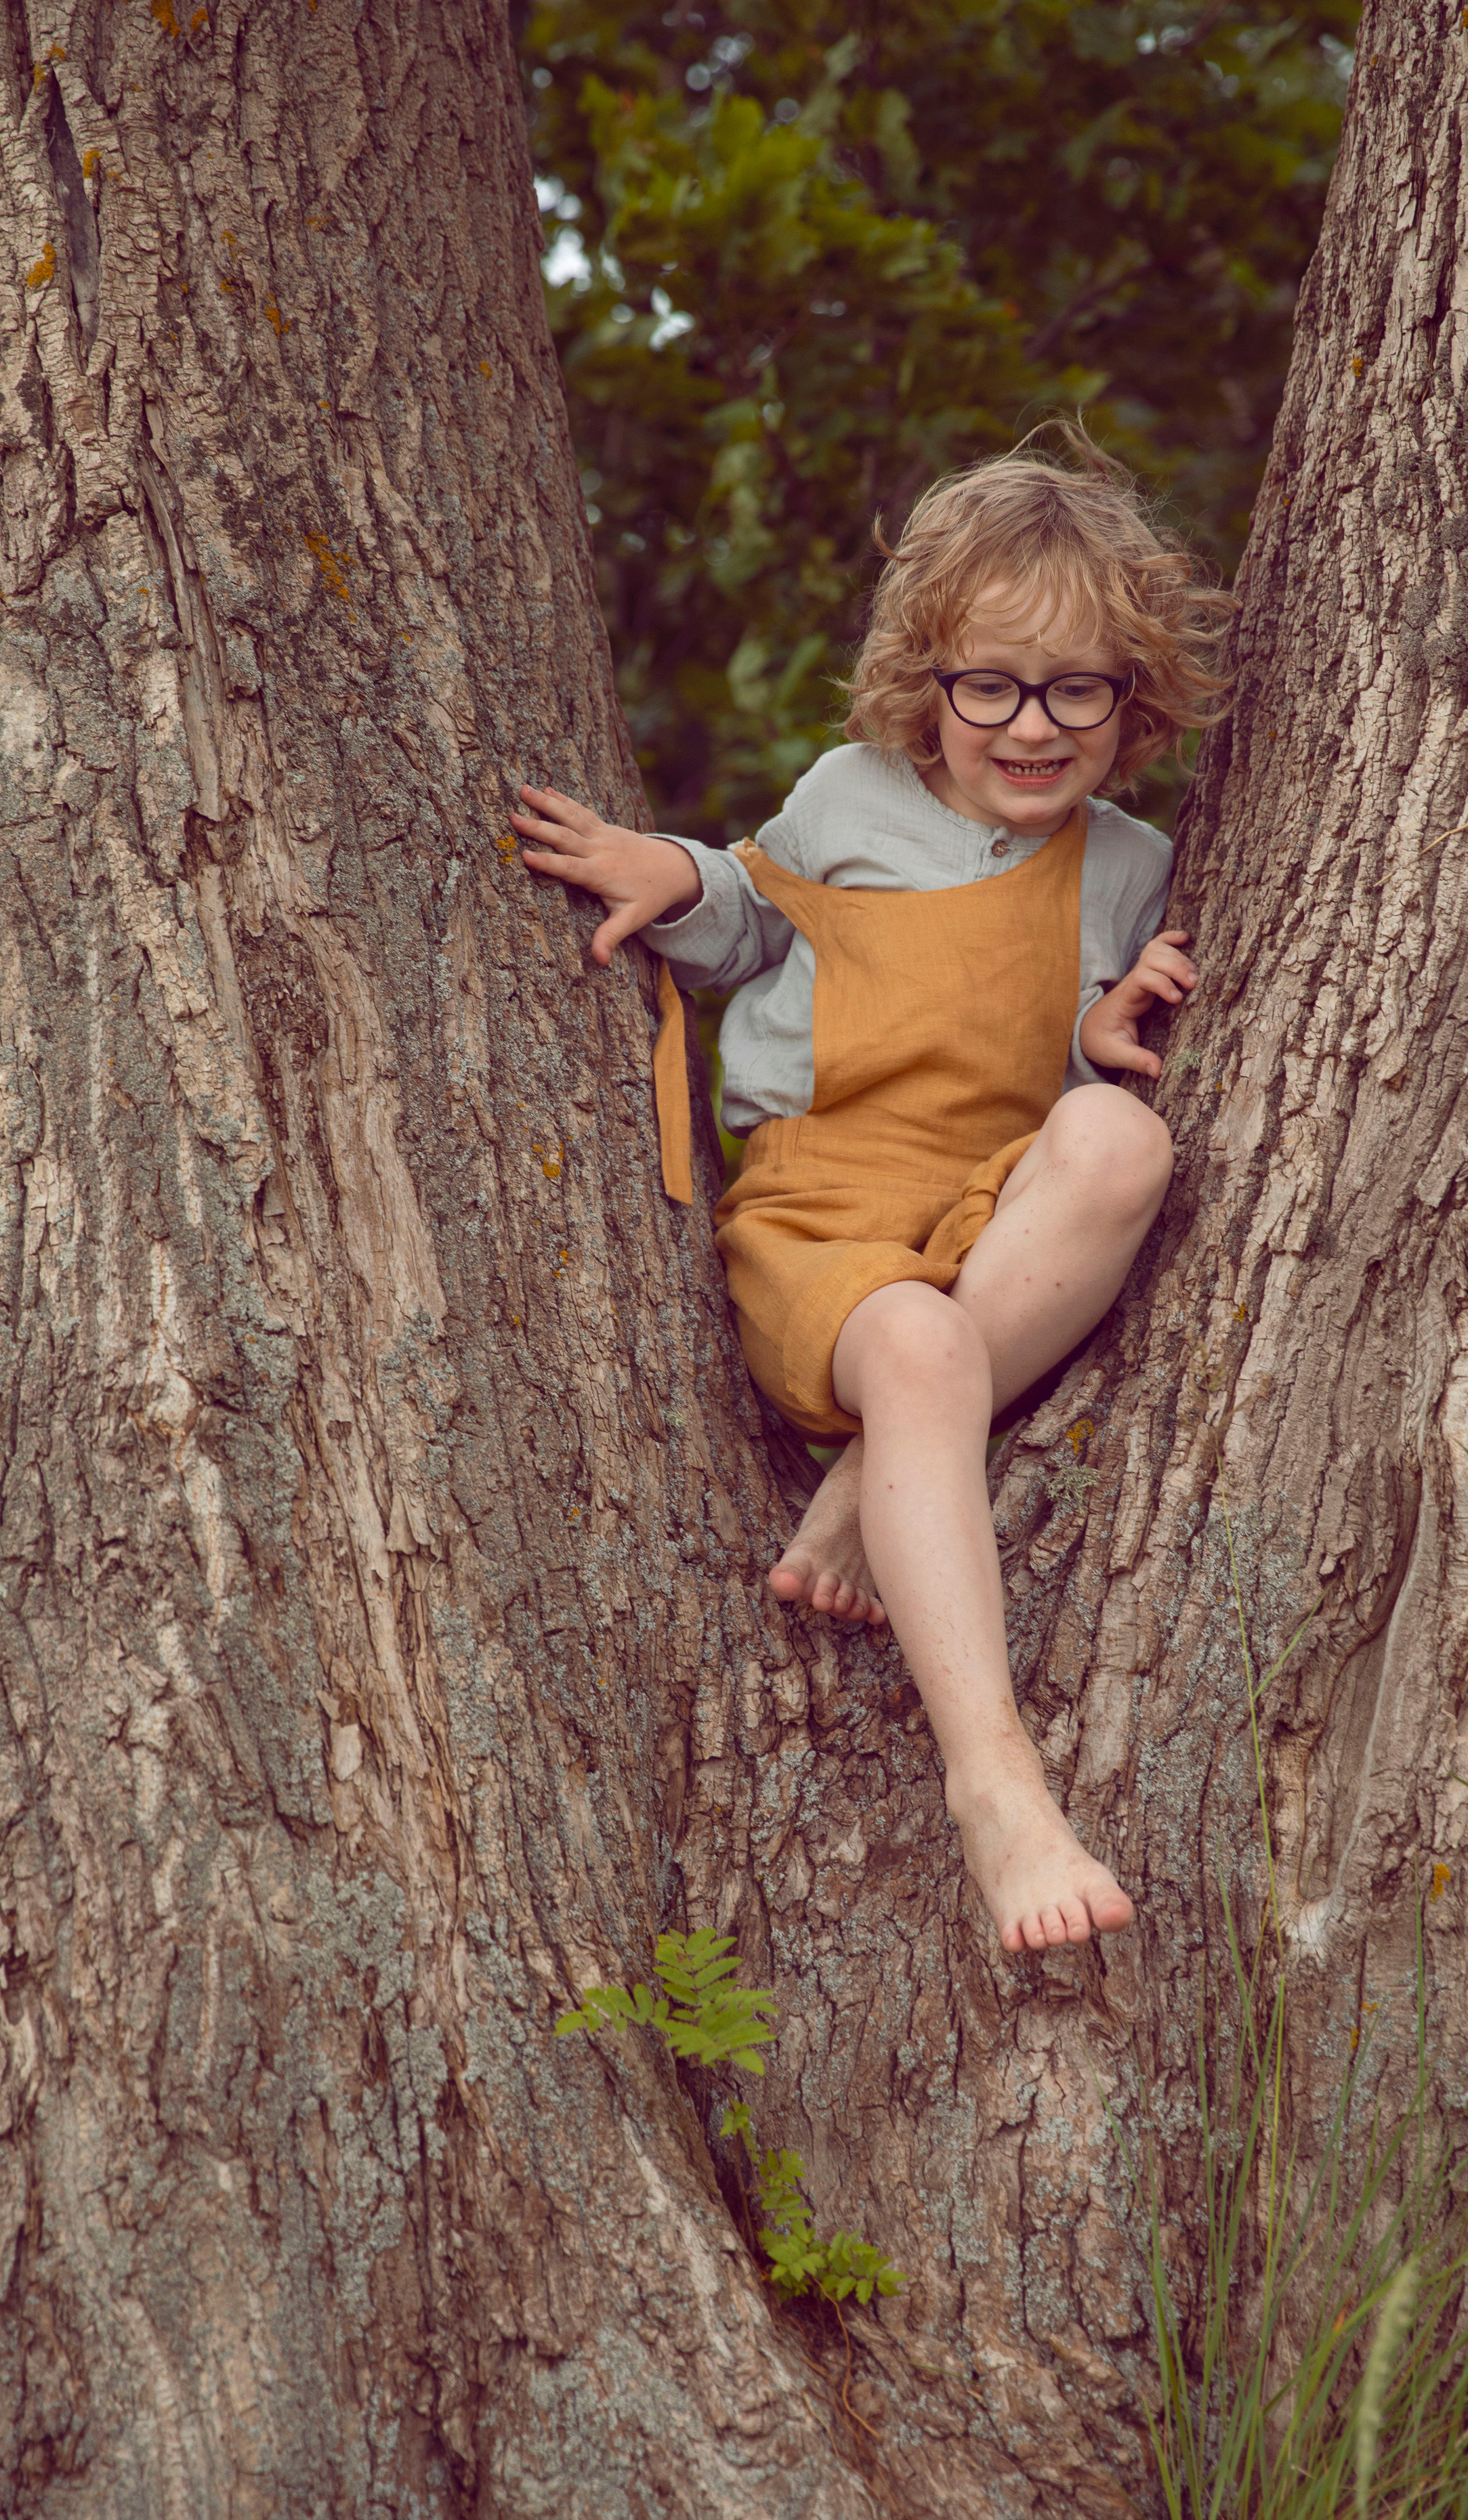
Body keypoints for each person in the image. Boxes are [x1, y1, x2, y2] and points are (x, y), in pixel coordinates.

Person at [511, 427, 1225, 1954]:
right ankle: (996, 1785)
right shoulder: (847, 797)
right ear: (929, 684)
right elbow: (752, 919)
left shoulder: (1136, 864)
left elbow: (1101, 1061)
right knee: (912, 1346)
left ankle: (872, 1478)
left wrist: (1106, 1037)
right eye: (989, 685)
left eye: (1075, 688)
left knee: (1120, 1144)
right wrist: (673, 876)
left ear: (1131, 695)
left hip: (990, 1204)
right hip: (827, 1213)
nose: (1029, 725)